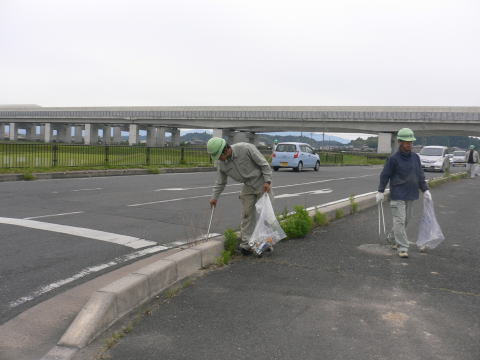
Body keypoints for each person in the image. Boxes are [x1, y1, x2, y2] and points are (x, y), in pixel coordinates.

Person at [207, 137, 273, 254]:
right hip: (248, 185)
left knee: (264, 214)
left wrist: (267, 181)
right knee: (247, 214)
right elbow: (220, 182)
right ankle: (247, 244)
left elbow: (264, 164)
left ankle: (266, 242)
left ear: (225, 150)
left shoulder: (246, 148)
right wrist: (214, 197)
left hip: (261, 182)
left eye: (218, 156)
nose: (218, 159)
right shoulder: (221, 163)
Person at [375, 128, 431, 258]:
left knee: (406, 220)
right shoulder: (393, 159)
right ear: (400, 142)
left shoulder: (415, 158)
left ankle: (393, 238)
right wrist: (380, 191)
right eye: (407, 142)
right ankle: (403, 247)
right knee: (399, 221)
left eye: (411, 142)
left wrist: (425, 189)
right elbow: (385, 175)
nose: (409, 144)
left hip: (411, 194)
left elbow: (420, 175)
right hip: (398, 194)